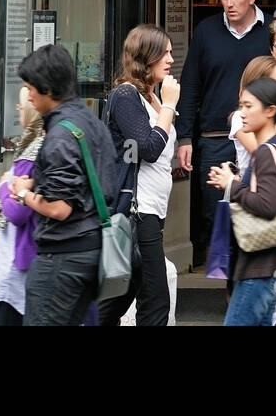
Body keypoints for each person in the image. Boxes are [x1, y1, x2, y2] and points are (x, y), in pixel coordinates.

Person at [10, 43, 117, 327]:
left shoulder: (59, 134)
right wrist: (35, 180)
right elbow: (84, 176)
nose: (29, 97)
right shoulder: (88, 122)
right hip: (92, 250)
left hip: (62, 257)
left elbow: (59, 208)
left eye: (31, 88)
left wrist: (23, 194)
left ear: (47, 88)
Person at [176, 0, 270, 266]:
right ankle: (225, 284)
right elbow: (190, 85)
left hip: (260, 138)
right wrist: (185, 136)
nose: (228, 3)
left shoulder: (270, 33)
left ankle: (251, 276)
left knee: (259, 208)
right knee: (215, 214)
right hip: (214, 138)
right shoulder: (206, 31)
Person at [98, 24, 180, 327]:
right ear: (146, 57)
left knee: (122, 294)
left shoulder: (151, 98)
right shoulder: (125, 95)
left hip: (152, 210)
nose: (171, 59)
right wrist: (170, 105)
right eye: (165, 53)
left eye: (171, 52)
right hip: (136, 210)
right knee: (155, 299)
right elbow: (147, 148)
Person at [208, 77, 276, 326]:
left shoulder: (264, 153)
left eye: (249, 106)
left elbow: (267, 206)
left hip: (262, 267)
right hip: (271, 265)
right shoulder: (274, 148)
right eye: (241, 105)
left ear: (270, 111)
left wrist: (233, 186)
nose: (242, 113)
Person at [0, 87, 44, 326]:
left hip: (18, 262)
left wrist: (3, 186)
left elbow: (17, 212)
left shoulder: (28, 155)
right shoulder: (38, 147)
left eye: (22, 105)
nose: (18, 108)